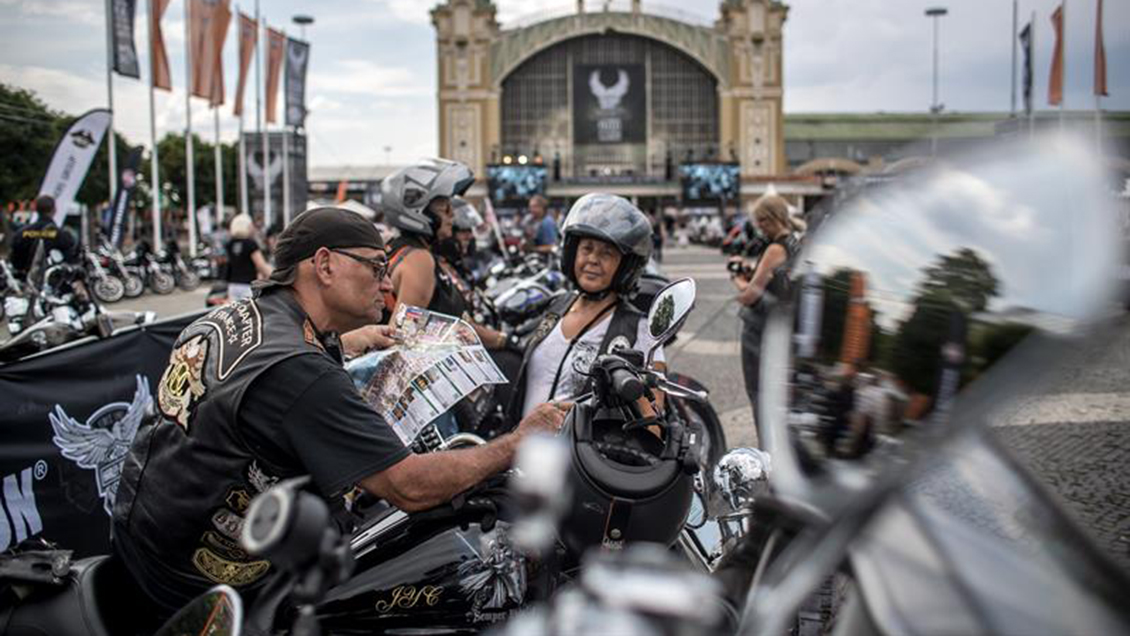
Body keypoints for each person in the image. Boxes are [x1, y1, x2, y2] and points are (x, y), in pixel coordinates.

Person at [111, 206, 568, 618]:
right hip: (201, 585)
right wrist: (517, 441)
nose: (388, 285)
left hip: (143, 537)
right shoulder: (300, 371)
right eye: (375, 267)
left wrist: (346, 343)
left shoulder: (234, 316)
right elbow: (409, 485)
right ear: (324, 264)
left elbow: (266, 379)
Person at [509, 193, 665, 422]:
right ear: (572, 253)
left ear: (625, 266)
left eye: (606, 253)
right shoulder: (558, 306)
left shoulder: (639, 329)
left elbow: (652, 417)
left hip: (581, 455)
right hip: (520, 450)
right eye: (587, 249)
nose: (593, 259)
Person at [381, 158, 513, 351]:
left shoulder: (401, 249)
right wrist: (504, 341)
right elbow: (400, 337)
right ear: (418, 210)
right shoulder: (419, 260)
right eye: (445, 207)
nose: (452, 215)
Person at [729, 194, 805, 442]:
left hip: (759, 330)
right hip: (780, 328)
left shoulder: (775, 248)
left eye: (761, 221)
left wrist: (737, 279)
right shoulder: (794, 242)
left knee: (759, 393)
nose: (759, 227)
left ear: (772, 219)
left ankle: (767, 450)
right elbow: (778, 282)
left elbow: (750, 294)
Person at [9, 195, 76, 279]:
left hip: (24, 281)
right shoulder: (62, 235)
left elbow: (14, 260)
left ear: (36, 209)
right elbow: (70, 260)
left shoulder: (21, 233)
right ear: (54, 210)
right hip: (53, 282)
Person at [224, 213, 273, 301]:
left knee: (235, 312)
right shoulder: (250, 244)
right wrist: (274, 277)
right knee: (248, 312)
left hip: (233, 284)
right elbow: (261, 265)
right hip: (247, 285)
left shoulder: (230, 244)